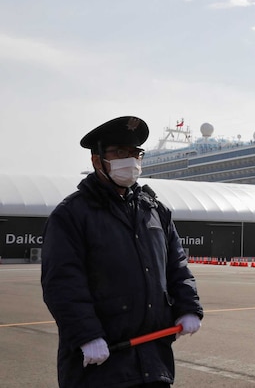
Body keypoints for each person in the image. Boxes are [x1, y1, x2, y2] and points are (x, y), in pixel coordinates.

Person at [41, 116, 203, 387]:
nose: (130, 161)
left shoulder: (155, 210)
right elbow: (62, 283)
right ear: (97, 161)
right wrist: (86, 335)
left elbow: (176, 264)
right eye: (119, 153)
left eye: (134, 154)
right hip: (101, 362)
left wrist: (189, 307)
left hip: (153, 361)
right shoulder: (71, 215)